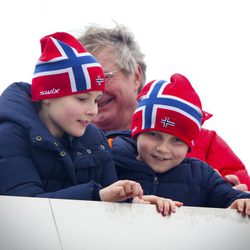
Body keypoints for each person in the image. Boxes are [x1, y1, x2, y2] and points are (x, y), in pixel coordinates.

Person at [78, 23, 250, 190]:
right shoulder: (67, 146)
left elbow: (243, 201)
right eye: (81, 82)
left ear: (136, 76)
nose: (93, 90)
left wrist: (234, 196)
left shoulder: (205, 143)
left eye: (103, 76)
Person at [0, 31, 145, 203]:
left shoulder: (95, 138)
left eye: (96, 100)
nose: (93, 110)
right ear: (47, 95)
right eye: (82, 99)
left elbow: (113, 195)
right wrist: (97, 196)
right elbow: (24, 206)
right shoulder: (9, 136)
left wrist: (136, 203)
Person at [111, 73, 250, 215]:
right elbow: (92, 195)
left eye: (177, 140)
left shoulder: (201, 175)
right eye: (153, 134)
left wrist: (242, 202)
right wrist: (130, 203)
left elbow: (230, 198)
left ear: (189, 145)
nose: (163, 148)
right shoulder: (109, 163)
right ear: (136, 132)